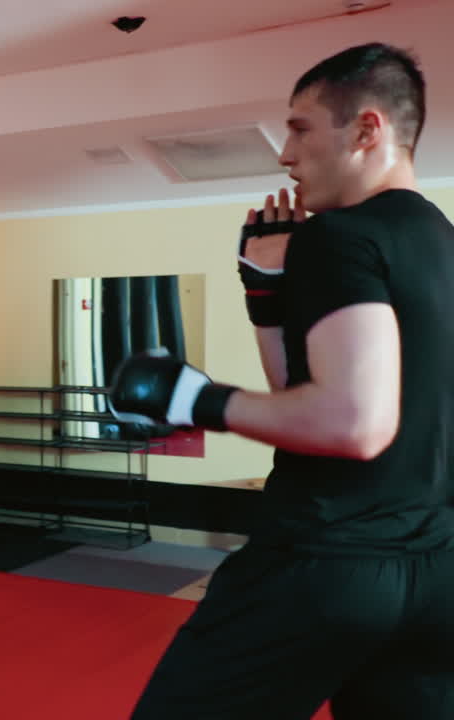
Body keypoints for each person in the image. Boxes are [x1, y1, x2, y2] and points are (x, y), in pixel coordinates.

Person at [108, 42, 454, 719]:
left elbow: (352, 424)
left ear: (366, 129)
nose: (285, 154)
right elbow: (311, 392)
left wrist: (192, 399)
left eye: (300, 128)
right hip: (436, 575)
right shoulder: (441, 241)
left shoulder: (341, 236)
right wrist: (267, 297)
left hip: (322, 562)